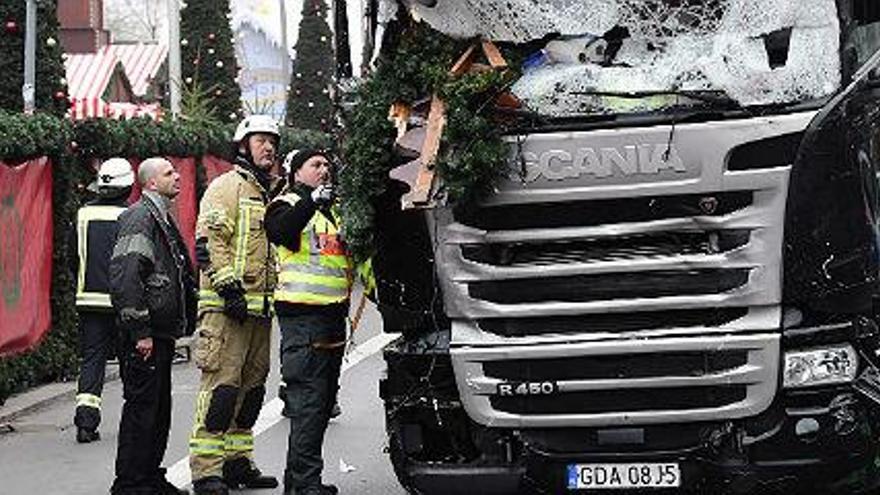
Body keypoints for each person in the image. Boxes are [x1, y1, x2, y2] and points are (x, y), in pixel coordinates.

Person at [265, 149, 373, 495]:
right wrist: (310, 200)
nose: (324, 170)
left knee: (322, 404)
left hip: (331, 317)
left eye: (328, 165)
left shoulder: (333, 212)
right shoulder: (285, 204)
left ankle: (300, 481)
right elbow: (281, 231)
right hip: (303, 318)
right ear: (297, 172)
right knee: (309, 403)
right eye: (316, 165)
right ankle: (305, 484)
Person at [188, 115, 280, 495]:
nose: (269, 147)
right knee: (221, 389)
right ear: (243, 145)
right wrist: (230, 291)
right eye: (261, 140)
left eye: (272, 141)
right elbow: (209, 243)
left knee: (252, 390)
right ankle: (206, 470)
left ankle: (238, 462)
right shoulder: (226, 187)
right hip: (226, 309)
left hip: (260, 310)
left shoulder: (269, 192)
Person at [109, 157, 196, 495]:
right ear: (150, 184)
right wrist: (140, 331)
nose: (177, 177)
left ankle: (149, 476)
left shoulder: (158, 216)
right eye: (169, 173)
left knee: (158, 410)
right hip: (146, 335)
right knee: (143, 410)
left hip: (161, 333)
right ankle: (130, 483)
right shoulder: (139, 218)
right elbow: (127, 277)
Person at [72, 157, 133, 444]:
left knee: (92, 360)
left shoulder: (83, 215)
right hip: (124, 302)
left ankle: (86, 423)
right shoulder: (132, 216)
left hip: (89, 301)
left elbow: (74, 257)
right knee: (129, 361)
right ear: (128, 186)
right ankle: (134, 422)